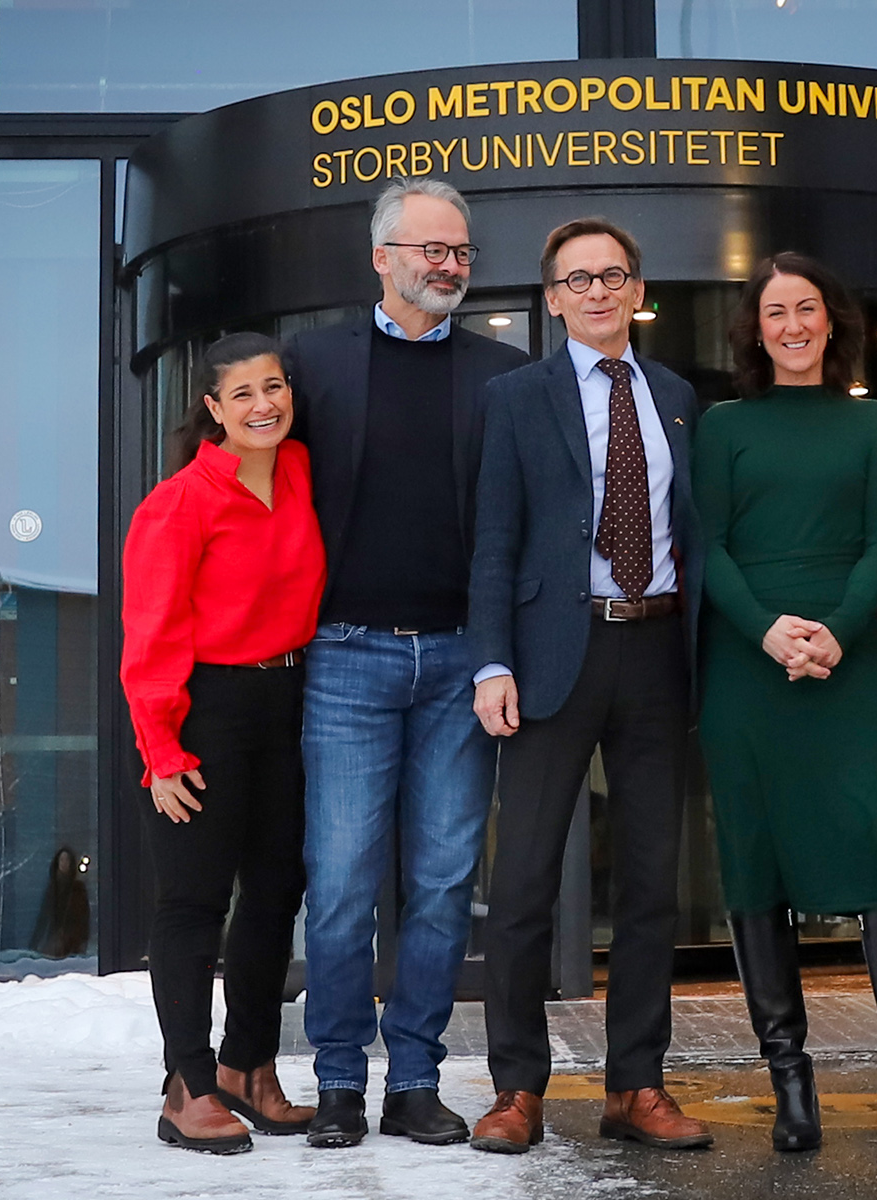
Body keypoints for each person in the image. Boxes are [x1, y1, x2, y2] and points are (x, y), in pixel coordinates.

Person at [282, 177, 530, 1149]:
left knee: (438, 884)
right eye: (432, 249)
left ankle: (414, 1080)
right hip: (344, 659)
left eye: (461, 250)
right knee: (341, 882)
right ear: (382, 258)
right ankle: (340, 1080)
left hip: (461, 662)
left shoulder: (500, 373)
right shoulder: (312, 365)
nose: (450, 264)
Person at [695, 252, 877, 1159]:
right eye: (776, 312)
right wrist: (769, 632)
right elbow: (710, 547)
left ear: (833, 321)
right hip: (748, 669)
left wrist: (838, 632)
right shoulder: (722, 426)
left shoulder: (874, 424)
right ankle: (792, 1091)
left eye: (808, 308)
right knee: (756, 867)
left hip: (850, 665)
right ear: (755, 328)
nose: (794, 326)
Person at [465, 217, 708, 1155]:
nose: (599, 291)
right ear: (553, 297)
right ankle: (517, 1090)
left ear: (639, 290)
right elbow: (492, 539)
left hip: (655, 654)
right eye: (579, 279)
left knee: (651, 886)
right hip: (550, 657)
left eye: (615, 275)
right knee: (523, 882)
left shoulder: (679, 396)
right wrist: (492, 660)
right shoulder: (516, 397)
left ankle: (635, 1087)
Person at [120, 332, 325, 1154]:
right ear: (212, 409)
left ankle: (249, 1065)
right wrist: (161, 750)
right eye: (242, 394)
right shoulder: (178, 502)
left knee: (277, 892)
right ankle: (187, 1083)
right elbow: (152, 632)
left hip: (289, 700)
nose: (263, 405)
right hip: (206, 705)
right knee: (194, 901)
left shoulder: (304, 472)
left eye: (273, 388)